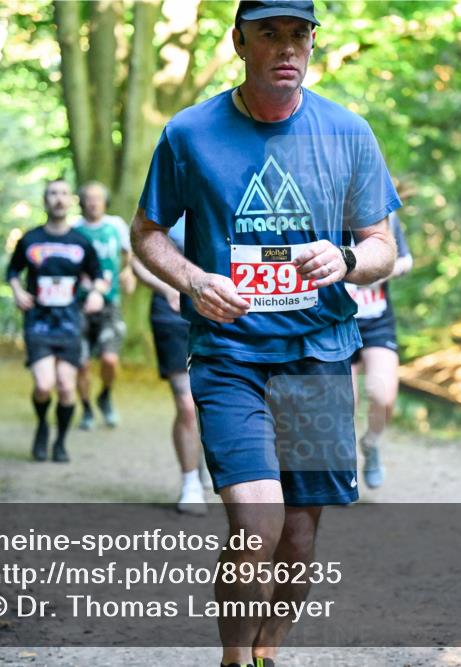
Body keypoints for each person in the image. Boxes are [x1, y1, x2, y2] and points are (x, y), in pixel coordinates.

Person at [131, 1, 400, 664]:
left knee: (299, 539)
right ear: (239, 41)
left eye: (299, 34)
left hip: (320, 355)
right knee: (256, 526)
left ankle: (266, 652)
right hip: (230, 356)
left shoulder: (348, 133)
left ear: (313, 42)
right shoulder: (190, 133)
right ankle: (232, 658)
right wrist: (195, 280)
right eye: (270, 34)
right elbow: (147, 234)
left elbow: (382, 245)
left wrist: (345, 260)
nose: (287, 48)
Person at [7, 179, 108, 463]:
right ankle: (41, 426)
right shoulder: (30, 239)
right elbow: (12, 271)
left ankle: (60, 442)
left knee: (65, 386)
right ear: (45, 200)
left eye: (64, 194)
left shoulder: (80, 241)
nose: (59, 199)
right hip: (38, 321)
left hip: (69, 322)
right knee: (43, 385)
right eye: (53, 193)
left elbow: (99, 276)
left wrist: (97, 294)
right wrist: (17, 292)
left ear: (71, 200)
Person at [131, 218, 206, 515]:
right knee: (186, 403)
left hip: (221, 308)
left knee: (212, 401)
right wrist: (167, 289)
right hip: (171, 313)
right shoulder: (161, 197)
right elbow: (136, 257)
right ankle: (190, 483)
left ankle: (215, 470)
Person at [347, 210, 412, 488]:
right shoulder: (322, 210)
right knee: (343, 404)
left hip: (377, 320)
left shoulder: (383, 214)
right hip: (337, 321)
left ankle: (371, 444)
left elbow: (406, 259)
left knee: (383, 395)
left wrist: (379, 270)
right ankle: (345, 468)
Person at [72, 181, 136, 430]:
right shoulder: (74, 229)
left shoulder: (115, 225)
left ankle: (105, 395)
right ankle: (87, 408)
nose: (93, 202)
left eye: (98, 198)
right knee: (82, 363)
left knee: (110, 360)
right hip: (79, 304)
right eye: (88, 198)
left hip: (110, 303)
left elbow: (130, 251)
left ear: (105, 202)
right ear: (81, 202)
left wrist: (129, 271)